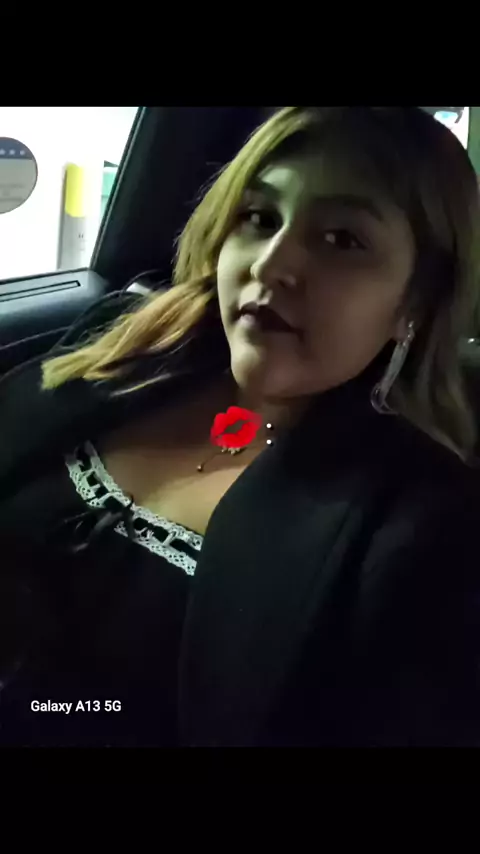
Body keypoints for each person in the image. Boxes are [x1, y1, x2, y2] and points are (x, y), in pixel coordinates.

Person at [1, 106, 480, 747]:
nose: (271, 264)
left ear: (415, 300)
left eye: (342, 239)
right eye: (259, 218)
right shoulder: (122, 345)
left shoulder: (420, 528)